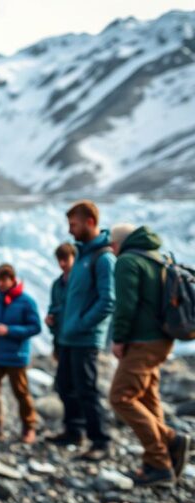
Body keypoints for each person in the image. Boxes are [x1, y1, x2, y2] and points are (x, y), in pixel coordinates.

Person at [108, 224, 191, 487]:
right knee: (146, 395)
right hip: (161, 339)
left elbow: (126, 305)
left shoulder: (128, 262)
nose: (110, 249)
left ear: (120, 244)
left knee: (120, 397)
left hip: (142, 341)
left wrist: (118, 338)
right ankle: (163, 456)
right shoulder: (156, 257)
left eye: (112, 244)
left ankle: (161, 456)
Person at [47, 201, 115, 461]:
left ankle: (101, 440)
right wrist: (59, 317)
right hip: (68, 336)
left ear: (89, 222)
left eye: (73, 224)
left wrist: (81, 324)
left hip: (85, 338)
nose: (70, 230)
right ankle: (73, 430)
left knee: (87, 388)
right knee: (64, 385)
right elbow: (72, 299)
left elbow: (108, 300)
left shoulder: (103, 258)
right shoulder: (82, 258)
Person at [0, 264, 41, 444]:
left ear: (12, 279)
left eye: (4, 280)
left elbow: (35, 327)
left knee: (21, 392)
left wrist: (10, 330)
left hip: (16, 355)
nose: (1, 284)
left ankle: (29, 426)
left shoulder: (26, 301)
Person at [46, 243, 76, 360]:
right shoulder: (57, 284)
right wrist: (51, 319)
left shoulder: (80, 281)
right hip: (59, 338)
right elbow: (53, 306)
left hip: (76, 339)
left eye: (65, 259)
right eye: (59, 260)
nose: (62, 264)